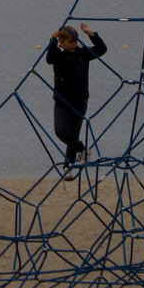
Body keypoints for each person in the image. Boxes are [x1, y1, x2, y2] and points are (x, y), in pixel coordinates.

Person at [46, 22, 107, 179]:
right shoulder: (59, 55)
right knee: (61, 131)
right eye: (71, 42)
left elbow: (102, 49)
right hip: (63, 102)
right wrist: (52, 40)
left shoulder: (82, 54)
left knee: (73, 134)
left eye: (76, 41)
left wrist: (90, 33)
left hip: (80, 102)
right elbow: (49, 58)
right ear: (62, 43)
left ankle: (68, 166)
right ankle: (82, 150)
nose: (74, 45)